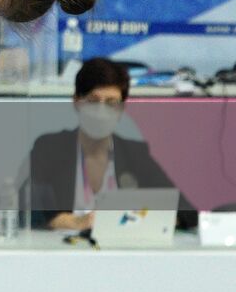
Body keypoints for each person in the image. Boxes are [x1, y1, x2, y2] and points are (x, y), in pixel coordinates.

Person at [25, 57, 196, 230]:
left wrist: (143, 221)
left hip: (120, 254)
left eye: (111, 103)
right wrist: (76, 222)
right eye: (93, 101)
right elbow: (23, 208)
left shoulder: (135, 154)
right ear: (77, 102)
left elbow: (187, 212)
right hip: (63, 253)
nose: (101, 112)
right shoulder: (49, 149)